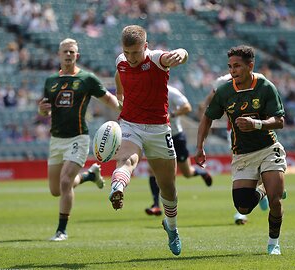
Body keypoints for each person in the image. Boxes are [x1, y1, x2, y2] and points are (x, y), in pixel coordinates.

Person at [194, 45, 287, 255]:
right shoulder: (225, 91)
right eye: (230, 66)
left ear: (250, 66)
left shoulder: (265, 87)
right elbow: (207, 117)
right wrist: (200, 147)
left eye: (237, 66)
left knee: (276, 200)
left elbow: (279, 121)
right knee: (242, 208)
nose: (233, 70)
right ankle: (263, 189)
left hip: (268, 148)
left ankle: (274, 244)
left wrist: (257, 124)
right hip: (242, 154)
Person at [109, 25, 189, 256]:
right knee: (126, 160)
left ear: (145, 46)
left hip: (158, 129)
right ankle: (118, 187)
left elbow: (180, 56)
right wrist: (119, 93)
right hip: (130, 125)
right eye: (127, 52)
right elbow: (119, 72)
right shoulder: (121, 60)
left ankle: (171, 228)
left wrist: (181, 52)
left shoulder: (156, 59)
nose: (131, 58)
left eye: (135, 52)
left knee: (168, 188)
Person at [38, 38, 121, 241]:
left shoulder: (87, 79)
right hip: (56, 140)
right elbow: (46, 112)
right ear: (59, 55)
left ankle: (61, 230)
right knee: (55, 190)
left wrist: (126, 109)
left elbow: (109, 100)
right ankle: (89, 176)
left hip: (78, 137)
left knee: (65, 182)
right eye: (65, 51)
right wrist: (41, 110)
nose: (68, 55)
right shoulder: (50, 82)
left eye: (72, 52)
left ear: (77, 55)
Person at [201, 72, 273, 225]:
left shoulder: (257, 79)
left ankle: (262, 189)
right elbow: (208, 103)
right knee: (241, 166)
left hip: (257, 131)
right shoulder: (222, 81)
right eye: (232, 66)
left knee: (259, 163)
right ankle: (244, 209)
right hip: (234, 133)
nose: (235, 69)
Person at [145, 85, 213, 216]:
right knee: (152, 170)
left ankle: (201, 172)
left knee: (187, 172)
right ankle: (155, 205)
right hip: (157, 136)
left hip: (176, 136)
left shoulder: (171, 92)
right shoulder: (147, 90)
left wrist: (173, 114)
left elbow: (187, 107)